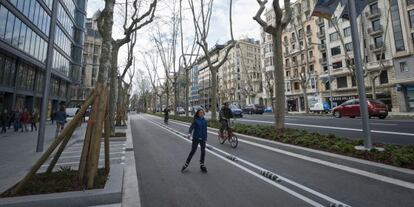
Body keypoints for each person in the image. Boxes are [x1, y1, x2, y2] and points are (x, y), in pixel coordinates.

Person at [181, 109, 208, 173]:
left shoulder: (205, 121)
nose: (201, 114)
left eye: (202, 113)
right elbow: (191, 127)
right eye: (200, 113)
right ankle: (186, 164)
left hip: (203, 138)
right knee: (193, 151)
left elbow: (205, 130)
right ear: (198, 114)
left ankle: (202, 165)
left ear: (203, 113)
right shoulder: (195, 120)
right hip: (196, 138)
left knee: (203, 151)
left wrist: (206, 138)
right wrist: (189, 133)